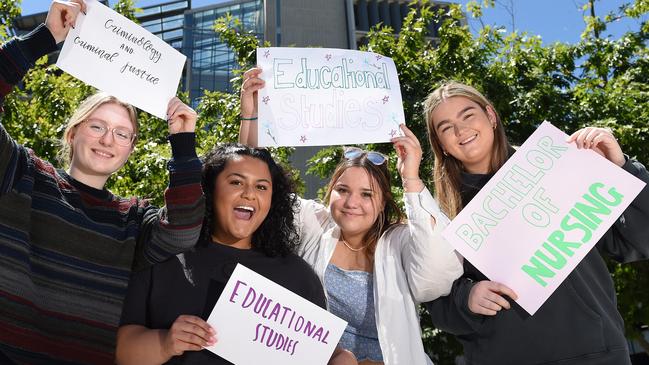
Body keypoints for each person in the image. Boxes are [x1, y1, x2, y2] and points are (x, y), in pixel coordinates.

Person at [0, 1, 205, 364]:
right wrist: (43, 38)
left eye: (122, 133)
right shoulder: (21, 173)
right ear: (73, 133)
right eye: (97, 126)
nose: (108, 139)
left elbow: (183, 231)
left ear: (130, 149)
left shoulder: (132, 218)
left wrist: (184, 146)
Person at [238, 68, 463, 365]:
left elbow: (437, 274)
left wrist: (411, 177)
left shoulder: (401, 242)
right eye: (342, 190)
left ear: (383, 202)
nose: (352, 202)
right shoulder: (314, 225)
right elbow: (259, 181)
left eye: (367, 194)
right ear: (330, 192)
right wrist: (251, 115)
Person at [422, 81, 649, 365]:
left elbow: (639, 240)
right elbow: (435, 300)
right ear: (440, 144)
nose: (460, 130)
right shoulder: (437, 213)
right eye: (445, 127)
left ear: (491, 117)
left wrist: (622, 168)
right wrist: (465, 298)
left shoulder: (562, 166)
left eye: (468, 115)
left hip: (595, 352)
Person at [116, 143, 357, 365]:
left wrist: (341, 358)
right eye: (236, 182)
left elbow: (325, 353)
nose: (249, 194)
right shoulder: (163, 256)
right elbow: (120, 348)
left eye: (261, 187)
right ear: (209, 190)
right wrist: (164, 342)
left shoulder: (299, 276)